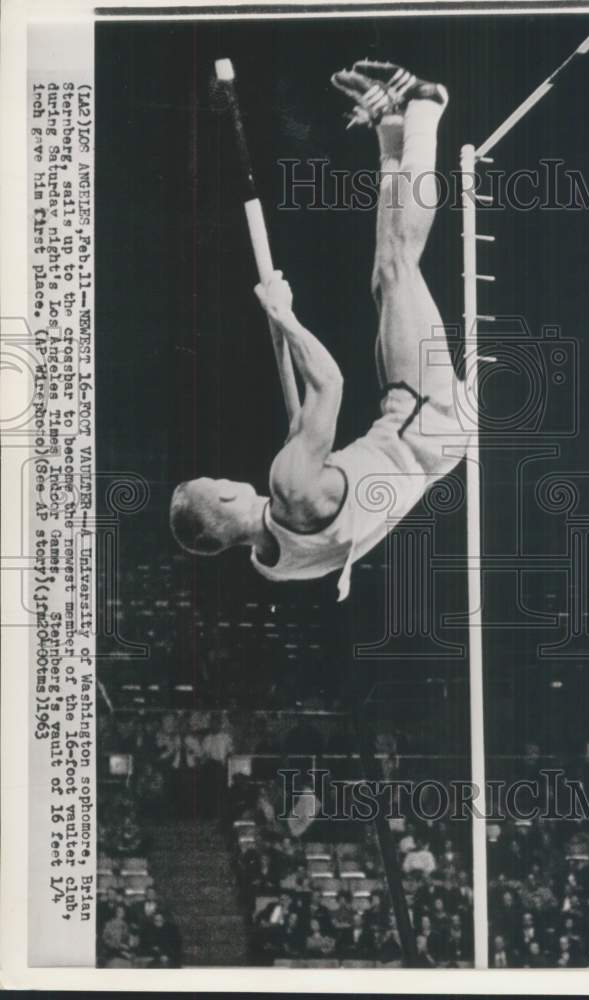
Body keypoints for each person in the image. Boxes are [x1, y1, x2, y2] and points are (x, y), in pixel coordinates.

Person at [169, 62, 469, 601]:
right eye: (215, 484)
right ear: (229, 501)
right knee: (401, 265)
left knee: (386, 275)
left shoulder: (276, 561)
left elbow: (307, 526)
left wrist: (303, 441)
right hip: (424, 420)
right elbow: (329, 383)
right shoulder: (287, 484)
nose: (224, 478)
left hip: (417, 438)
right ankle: (426, 107)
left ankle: (390, 129)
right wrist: (282, 313)